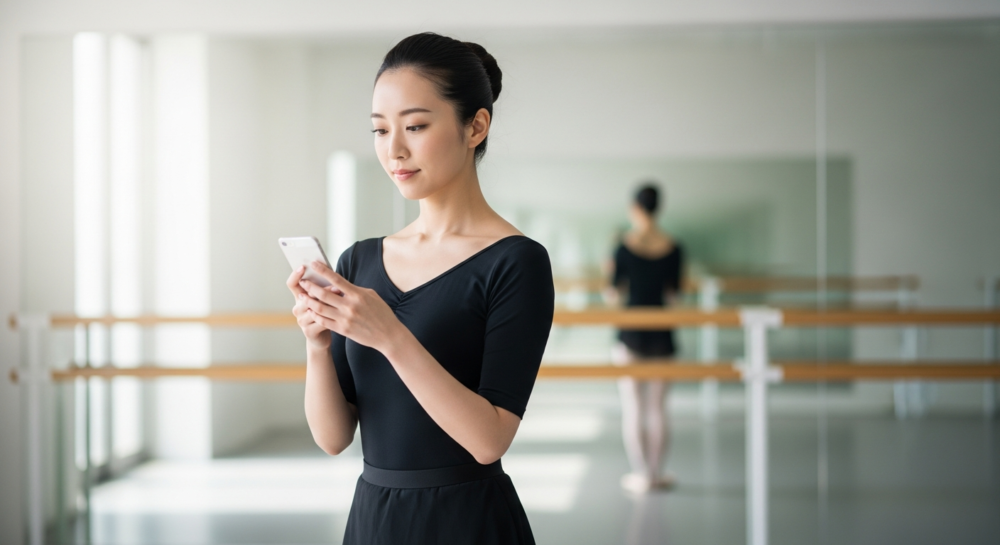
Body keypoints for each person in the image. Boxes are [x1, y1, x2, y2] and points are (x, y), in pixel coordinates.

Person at [286, 33, 554, 544]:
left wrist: (389, 334)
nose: (395, 150)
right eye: (379, 130)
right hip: (373, 518)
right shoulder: (359, 261)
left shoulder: (516, 262)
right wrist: (317, 346)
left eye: (415, 126)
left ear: (475, 126)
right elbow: (332, 437)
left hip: (468, 520)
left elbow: (489, 440)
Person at [607, 184, 684, 493]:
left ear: (634, 208)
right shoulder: (674, 247)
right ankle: (656, 473)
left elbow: (614, 293)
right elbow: (675, 296)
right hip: (662, 332)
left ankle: (641, 474)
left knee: (633, 407)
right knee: (658, 408)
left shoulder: (623, 246)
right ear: (658, 208)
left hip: (631, 334)